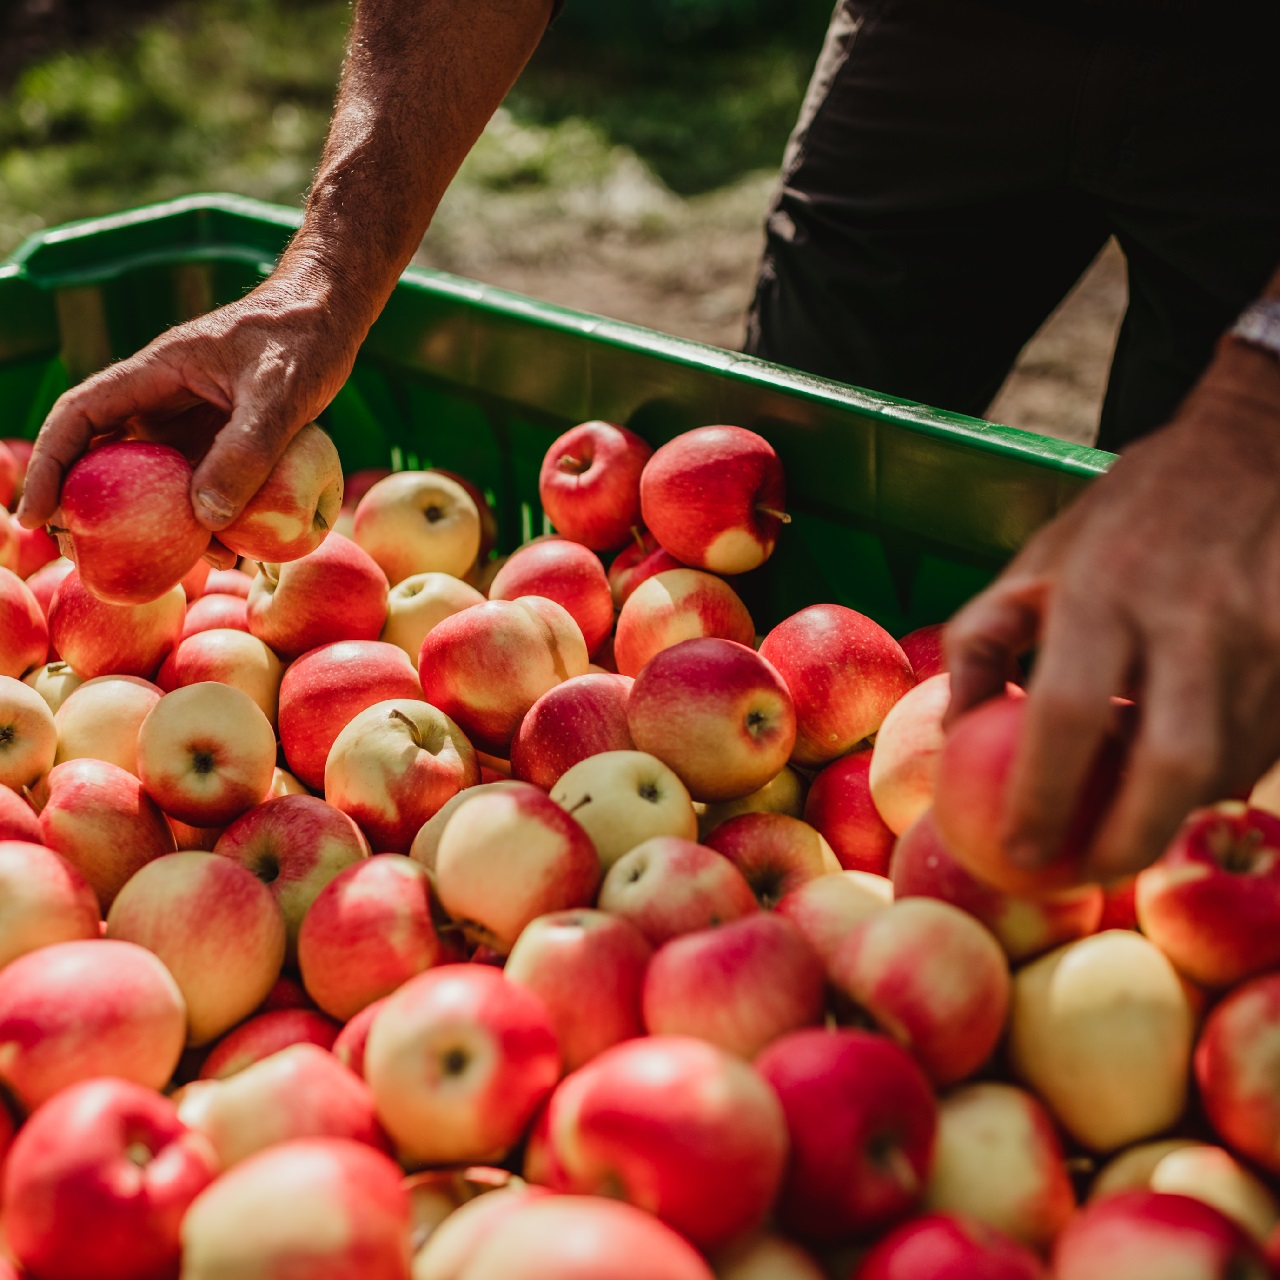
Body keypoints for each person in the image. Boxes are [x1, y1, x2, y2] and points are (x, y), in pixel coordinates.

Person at [16, 0, 1280, 888]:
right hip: (948, 29)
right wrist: (322, 274)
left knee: (1182, 656)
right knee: (780, 486)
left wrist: (1254, 406)